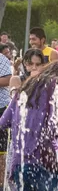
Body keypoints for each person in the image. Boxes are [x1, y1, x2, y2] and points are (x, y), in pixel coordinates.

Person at [0, 61, 58, 190]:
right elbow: (55, 126)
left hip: (19, 166)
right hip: (42, 165)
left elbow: (3, 122)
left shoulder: (25, 88)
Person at [0, 50, 12, 190]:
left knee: (1, 150)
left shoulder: (1, 59)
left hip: (1, 108)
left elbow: (8, 79)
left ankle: (1, 184)